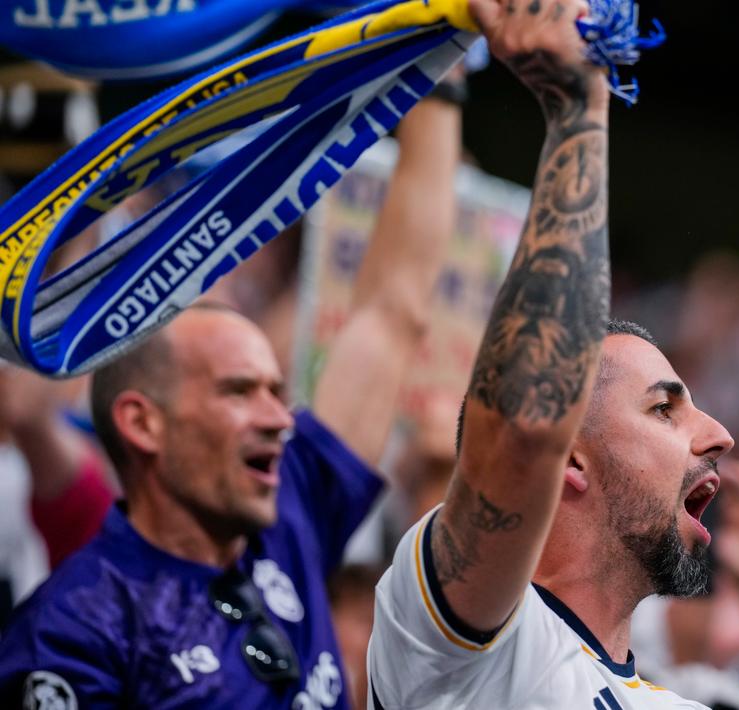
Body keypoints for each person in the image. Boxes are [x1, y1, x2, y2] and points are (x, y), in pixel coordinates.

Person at [0, 85, 460, 708]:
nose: (279, 418)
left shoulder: (291, 512)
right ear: (143, 423)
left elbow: (391, 314)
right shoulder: (71, 636)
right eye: (240, 391)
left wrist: (443, 77)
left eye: (276, 390)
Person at [365, 2, 739, 707]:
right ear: (569, 458)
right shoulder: (469, 649)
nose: (720, 435)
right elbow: (522, 427)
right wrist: (577, 107)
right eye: (664, 410)